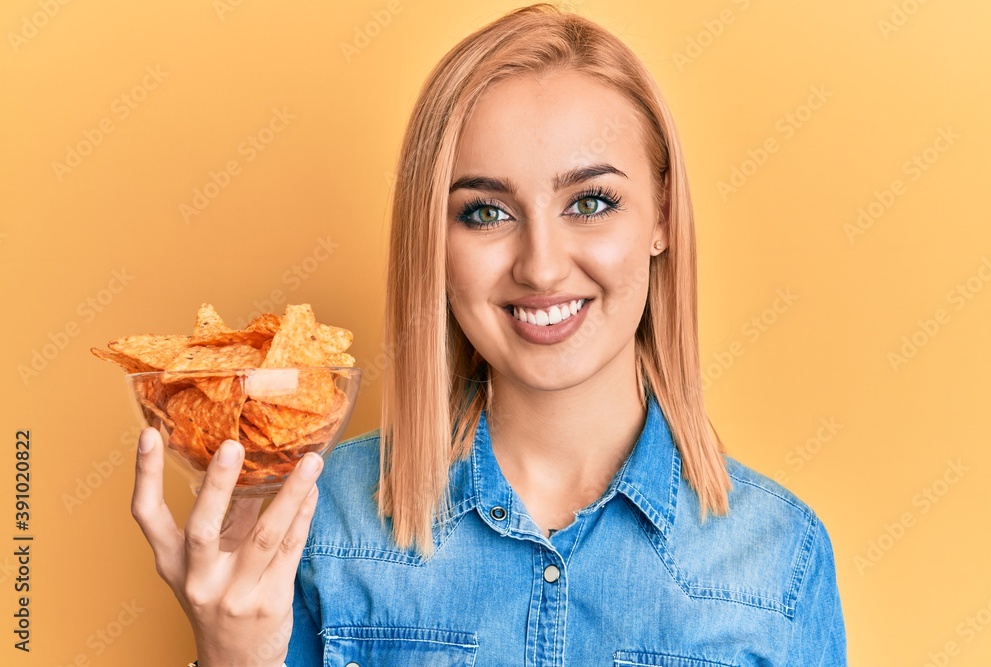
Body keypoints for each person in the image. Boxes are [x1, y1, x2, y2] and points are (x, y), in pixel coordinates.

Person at [131, 4, 848, 666]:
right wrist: (231, 653)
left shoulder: (779, 560)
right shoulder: (314, 527)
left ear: (662, 217)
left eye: (591, 202)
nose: (540, 265)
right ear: (432, 242)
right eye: (485, 212)